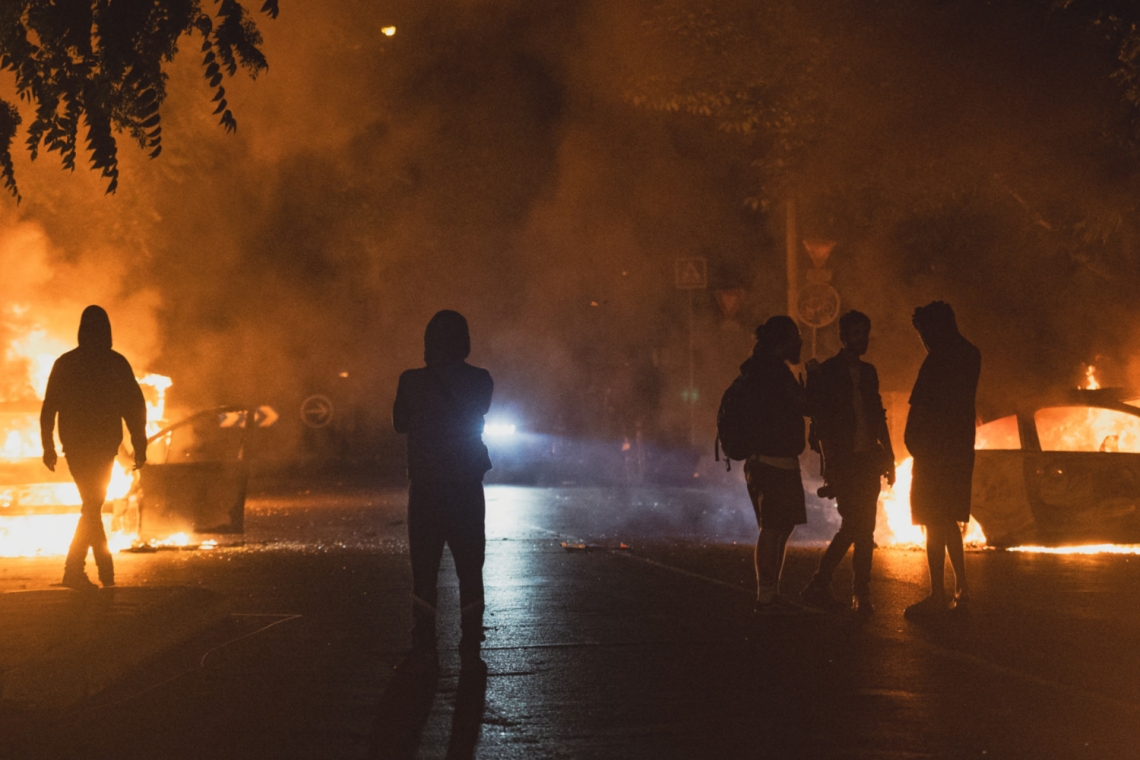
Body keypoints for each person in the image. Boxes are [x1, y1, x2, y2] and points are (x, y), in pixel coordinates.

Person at [393, 310, 494, 673]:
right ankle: (470, 640)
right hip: (466, 488)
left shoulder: (410, 381)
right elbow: (479, 409)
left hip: (426, 489)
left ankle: (424, 642)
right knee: (470, 568)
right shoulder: (481, 380)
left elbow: (399, 424)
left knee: (424, 570)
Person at [40, 305, 147, 591]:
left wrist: (48, 445)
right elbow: (134, 406)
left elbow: (49, 408)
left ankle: (96, 571)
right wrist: (139, 441)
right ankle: (80, 570)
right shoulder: (116, 363)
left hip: (76, 446)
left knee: (92, 505)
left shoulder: (66, 363)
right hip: (102, 447)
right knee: (92, 504)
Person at [800, 310, 895, 615]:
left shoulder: (869, 373)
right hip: (845, 462)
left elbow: (878, 415)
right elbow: (822, 423)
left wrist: (890, 455)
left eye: (864, 333)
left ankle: (839, 588)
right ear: (842, 338)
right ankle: (853, 591)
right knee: (857, 526)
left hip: (869, 460)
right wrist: (830, 465)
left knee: (861, 527)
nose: (862, 339)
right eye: (855, 334)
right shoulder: (828, 372)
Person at [903, 301, 981, 618]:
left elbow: (920, 404)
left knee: (934, 521)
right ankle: (961, 587)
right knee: (947, 518)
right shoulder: (971, 355)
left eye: (923, 331)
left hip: (933, 450)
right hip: (960, 449)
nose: (923, 339)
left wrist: (912, 440)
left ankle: (938, 593)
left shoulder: (938, 359)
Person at [741, 316, 809, 613]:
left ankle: (770, 594)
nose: (800, 343)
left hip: (773, 462)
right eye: (795, 337)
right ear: (782, 342)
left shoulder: (759, 369)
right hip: (771, 463)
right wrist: (814, 384)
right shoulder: (773, 372)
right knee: (773, 528)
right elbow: (804, 405)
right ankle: (766, 597)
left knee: (781, 526)